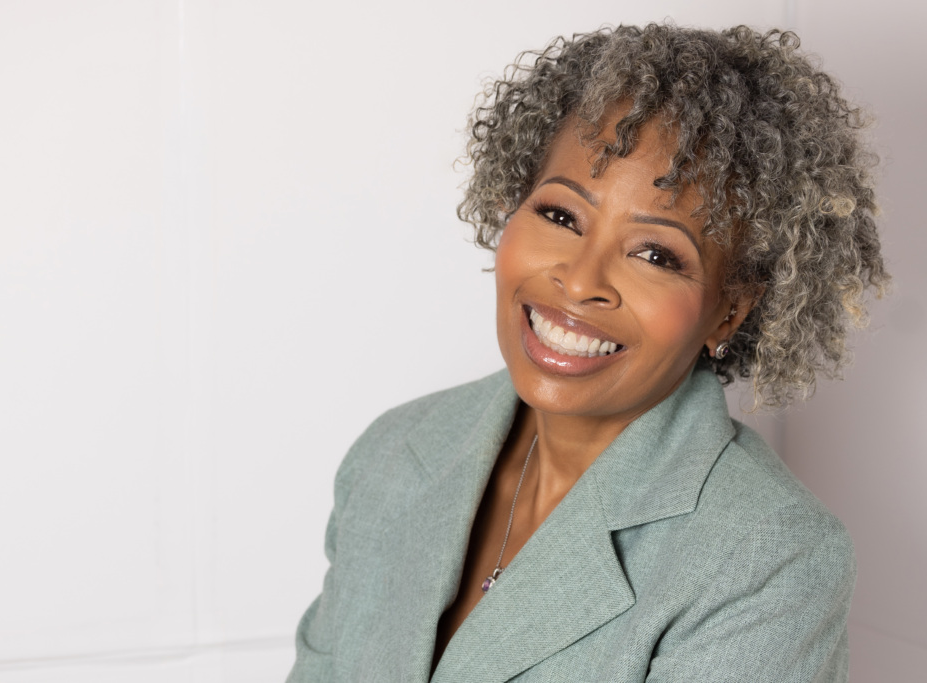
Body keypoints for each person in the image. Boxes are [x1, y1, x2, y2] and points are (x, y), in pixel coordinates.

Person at [287, 24, 888, 682]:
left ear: (730, 309)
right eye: (561, 216)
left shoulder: (767, 559)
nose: (579, 281)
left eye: (656, 254)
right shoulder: (391, 455)